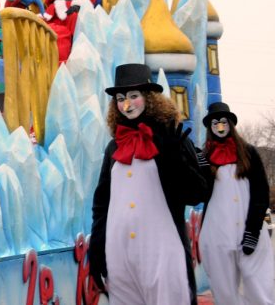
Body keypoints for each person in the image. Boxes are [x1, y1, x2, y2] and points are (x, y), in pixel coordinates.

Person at [88, 63, 207, 305]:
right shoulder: (114, 147)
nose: (127, 105)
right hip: (119, 256)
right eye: (121, 99)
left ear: (149, 98)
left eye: (133, 96)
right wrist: (97, 250)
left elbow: (196, 192)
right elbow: (102, 204)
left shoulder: (171, 138)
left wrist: (175, 157)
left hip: (162, 253)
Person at [199, 102, 274, 304]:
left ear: (231, 124)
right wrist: (200, 170)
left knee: (259, 287)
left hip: (249, 231)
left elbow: (261, 192)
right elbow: (199, 194)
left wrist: (253, 230)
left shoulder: (248, 153)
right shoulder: (206, 157)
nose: (220, 127)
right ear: (210, 127)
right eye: (215, 123)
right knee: (224, 293)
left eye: (224, 122)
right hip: (217, 233)